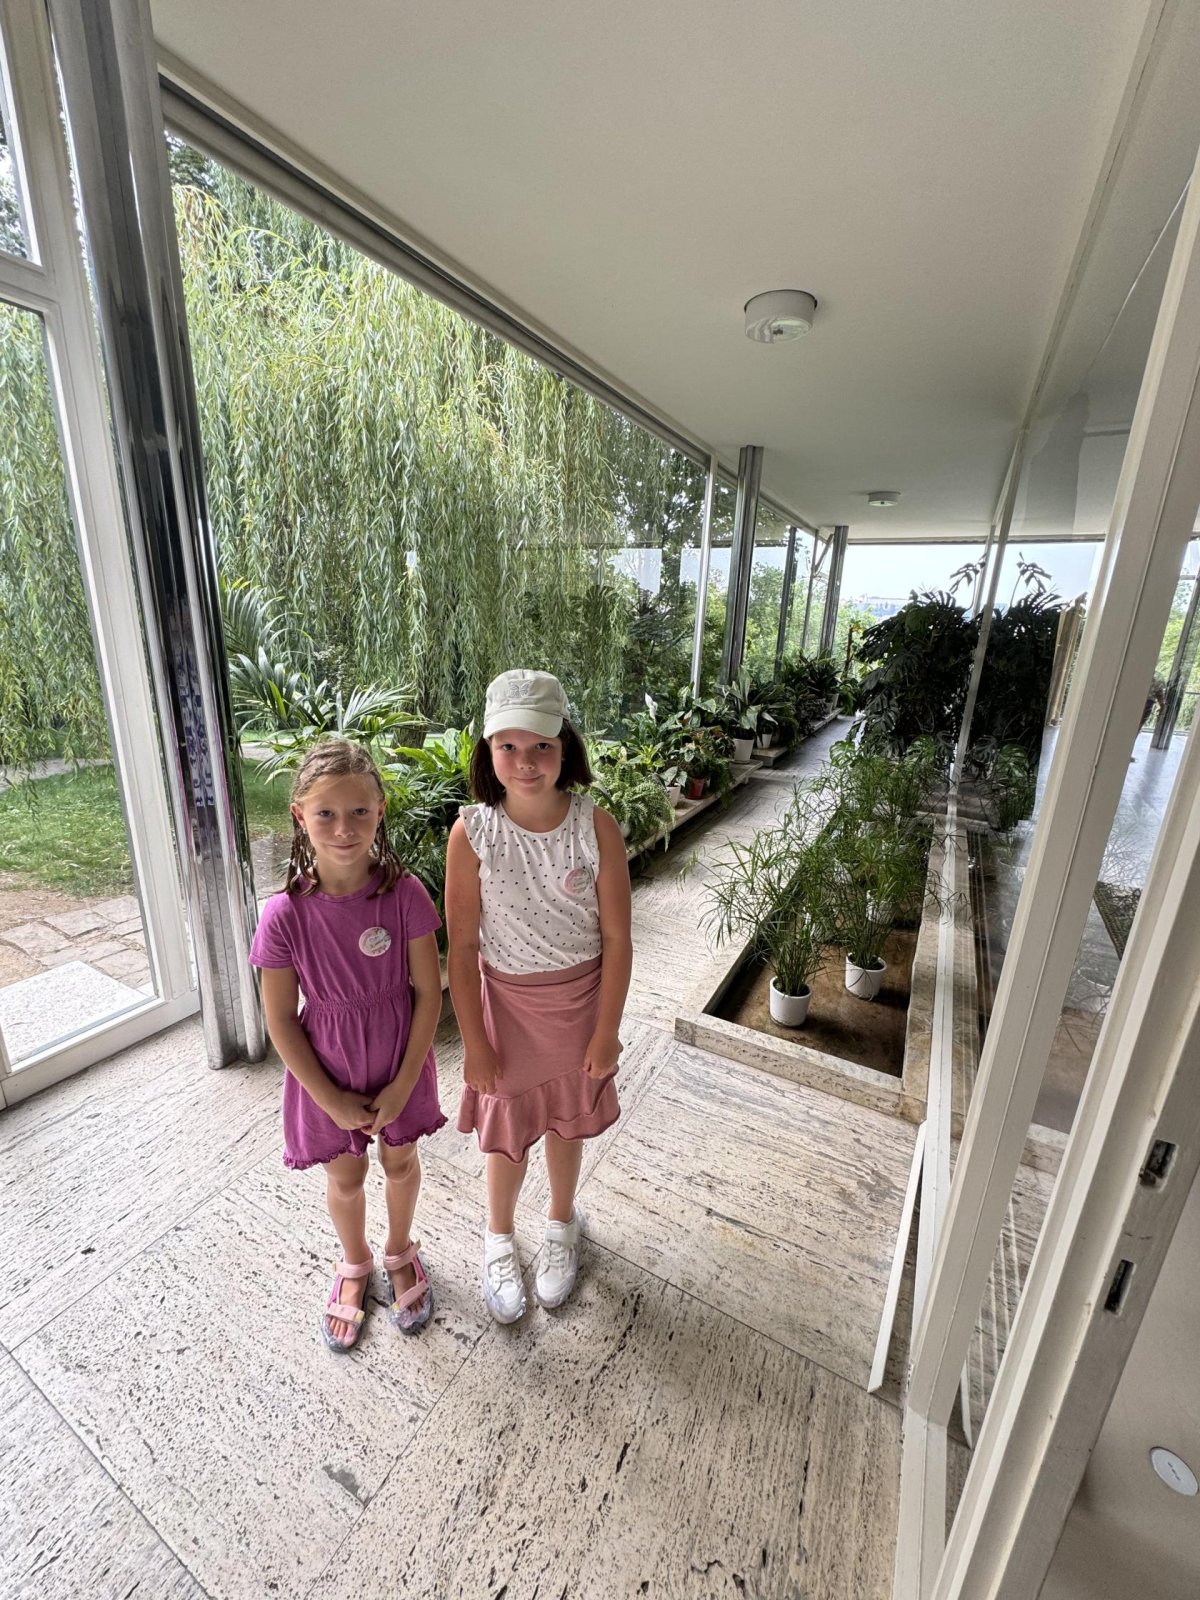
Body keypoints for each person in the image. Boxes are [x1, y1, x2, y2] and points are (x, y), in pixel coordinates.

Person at [445, 669, 632, 1322]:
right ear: (488, 750)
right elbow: (461, 949)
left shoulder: (596, 828)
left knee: (566, 1119)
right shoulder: (472, 834)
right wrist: (474, 1042)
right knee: (506, 1131)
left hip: (580, 1006)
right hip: (508, 1011)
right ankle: (498, 1238)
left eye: (542, 746)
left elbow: (618, 938)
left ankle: (561, 1223)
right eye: (509, 747)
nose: (526, 762)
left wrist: (606, 1030)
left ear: (565, 746)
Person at [250, 738, 446, 1351]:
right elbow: (281, 1020)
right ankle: (355, 1261)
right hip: (327, 1072)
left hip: (398, 1059)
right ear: (299, 816)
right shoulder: (283, 915)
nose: (344, 828)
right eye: (326, 813)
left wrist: (405, 1082)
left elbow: (428, 994)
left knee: (401, 1162)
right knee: (345, 1175)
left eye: (360, 811)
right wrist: (330, 1099)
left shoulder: (405, 895)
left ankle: (400, 1249)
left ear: (380, 811)